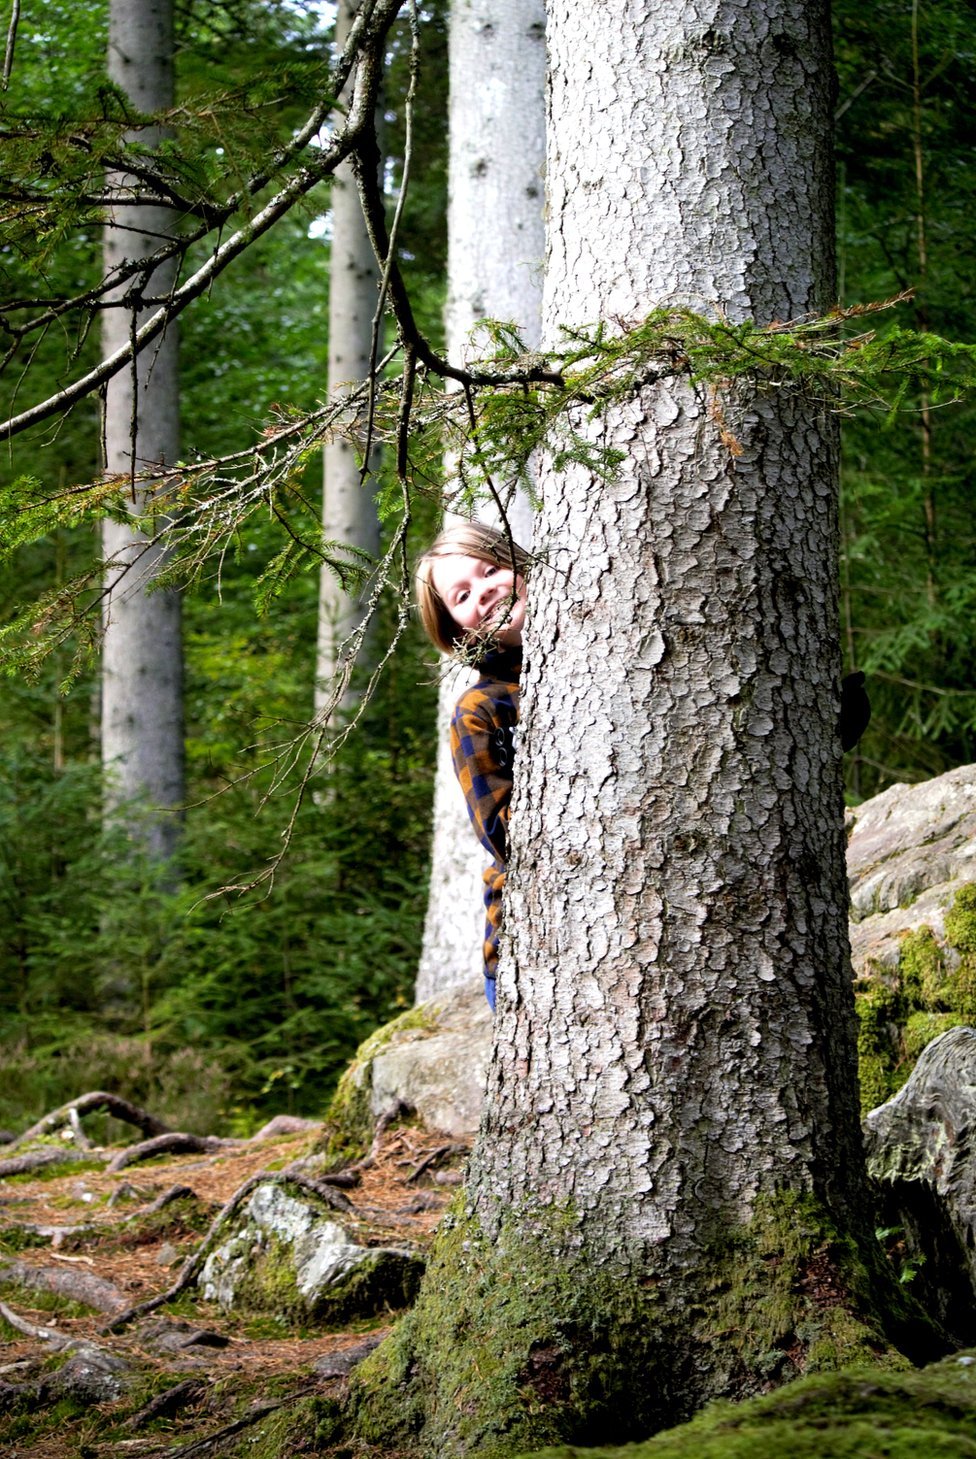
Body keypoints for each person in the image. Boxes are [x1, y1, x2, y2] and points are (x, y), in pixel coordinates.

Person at [415, 522, 530, 1010]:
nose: (483, 592)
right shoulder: (479, 711)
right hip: (524, 947)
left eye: (491, 570)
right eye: (462, 596)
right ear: (458, 631)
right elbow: (506, 838)